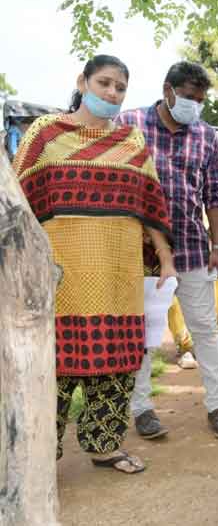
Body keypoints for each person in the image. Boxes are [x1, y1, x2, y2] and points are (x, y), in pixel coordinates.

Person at [13, 55, 175, 473]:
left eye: (120, 88)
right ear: (82, 81)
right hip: (60, 277)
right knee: (53, 369)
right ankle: (38, 459)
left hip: (117, 272)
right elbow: (15, 198)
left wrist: (166, 259)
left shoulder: (132, 142)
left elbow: (151, 206)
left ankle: (106, 446)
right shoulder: (45, 134)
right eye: (104, 83)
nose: (112, 93)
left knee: (117, 363)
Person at [117, 61, 218, 440]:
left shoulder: (205, 135)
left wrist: (217, 246)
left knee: (205, 328)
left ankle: (217, 406)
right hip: (136, 251)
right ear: (167, 90)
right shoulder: (129, 124)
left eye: (200, 100)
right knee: (143, 332)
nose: (194, 106)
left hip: (190, 248)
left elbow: (215, 193)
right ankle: (142, 410)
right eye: (188, 97)